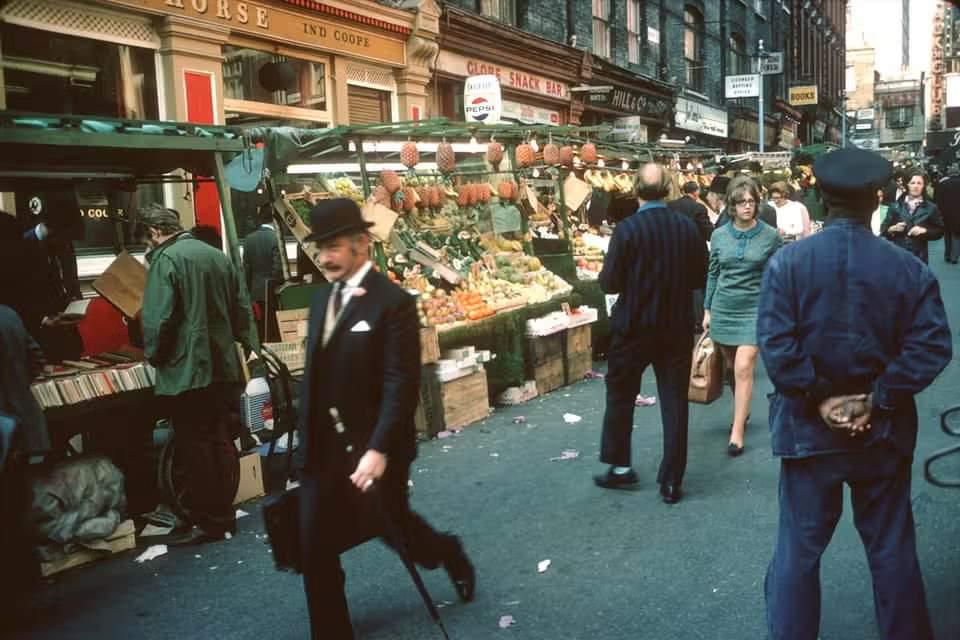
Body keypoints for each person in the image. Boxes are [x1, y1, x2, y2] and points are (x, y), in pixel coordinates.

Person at [757, 148, 951, 640]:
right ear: (876, 202)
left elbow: (777, 347)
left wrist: (822, 398)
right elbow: (932, 346)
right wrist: (878, 397)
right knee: (891, 551)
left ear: (821, 200)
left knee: (798, 554)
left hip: (807, 432)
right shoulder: (906, 269)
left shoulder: (788, 264)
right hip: (881, 434)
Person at [297, 198, 475, 638]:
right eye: (320, 247)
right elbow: (315, 376)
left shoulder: (392, 302)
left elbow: (401, 383)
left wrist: (378, 449)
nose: (325, 257)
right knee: (313, 543)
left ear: (361, 243)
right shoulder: (321, 299)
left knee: (393, 528)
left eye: (333, 246)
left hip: (375, 445)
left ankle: (446, 551)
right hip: (324, 449)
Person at [138, 204, 257, 544]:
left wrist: (154, 355)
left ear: (154, 232)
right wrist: (247, 344)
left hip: (188, 369)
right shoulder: (215, 255)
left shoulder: (166, 260)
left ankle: (209, 522)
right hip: (222, 364)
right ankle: (224, 515)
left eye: (146, 241)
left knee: (194, 445)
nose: (147, 248)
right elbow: (242, 306)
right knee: (218, 437)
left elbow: (159, 319)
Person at [594, 163, 708, 504]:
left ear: (635, 188)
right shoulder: (686, 228)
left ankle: (619, 467)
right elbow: (699, 276)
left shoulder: (627, 230)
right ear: (669, 188)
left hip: (633, 327)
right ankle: (672, 480)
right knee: (675, 402)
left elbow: (610, 281)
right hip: (674, 327)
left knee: (620, 395)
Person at [703, 176, 782, 456]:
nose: (747, 207)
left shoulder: (771, 235)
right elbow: (713, 272)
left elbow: (778, 274)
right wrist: (707, 309)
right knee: (729, 367)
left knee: (744, 366)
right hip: (724, 308)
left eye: (751, 201)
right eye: (741, 202)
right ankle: (742, 408)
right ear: (732, 207)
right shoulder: (719, 235)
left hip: (755, 310)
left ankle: (737, 432)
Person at [0, 212, 49, 601]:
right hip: (19, 428)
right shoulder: (10, 316)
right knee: (16, 509)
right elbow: (35, 361)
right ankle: (27, 583)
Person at [20, 218, 84, 362]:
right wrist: (43, 319)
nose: (67, 244)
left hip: (67, 333)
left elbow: (70, 277)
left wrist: (74, 301)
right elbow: (19, 295)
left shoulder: (63, 242)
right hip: (40, 336)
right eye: (64, 239)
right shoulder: (21, 246)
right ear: (52, 229)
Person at [669, 181, 712, 333]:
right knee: (697, 287)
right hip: (696, 254)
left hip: (674, 253)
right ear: (696, 192)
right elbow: (708, 233)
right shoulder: (699, 208)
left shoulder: (670, 206)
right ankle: (697, 321)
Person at [882, 170, 945, 264]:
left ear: (924, 186)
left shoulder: (931, 208)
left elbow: (940, 231)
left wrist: (925, 231)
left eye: (919, 183)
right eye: (912, 183)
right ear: (907, 184)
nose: (916, 186)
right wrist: (892, 229)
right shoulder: (895, 206)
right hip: (898, 257)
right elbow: (884, 229)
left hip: (919, 258)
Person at [243, 203, 284, 340]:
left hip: (255, 291)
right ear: (274, 220)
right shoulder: (276, 238)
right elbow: (278, 269)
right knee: (273, 329)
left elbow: (246, 269)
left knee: (260, 328)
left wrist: (249, 291)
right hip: (272, 292)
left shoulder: (249, 239)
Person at [934, 163, 960, 263]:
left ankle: (947, 255)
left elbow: (938, 200)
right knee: (957, 234)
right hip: (958, 213)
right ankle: (954, 257)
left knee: (947, 235)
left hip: (946, 214)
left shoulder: (943, 184)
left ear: (949, 173)